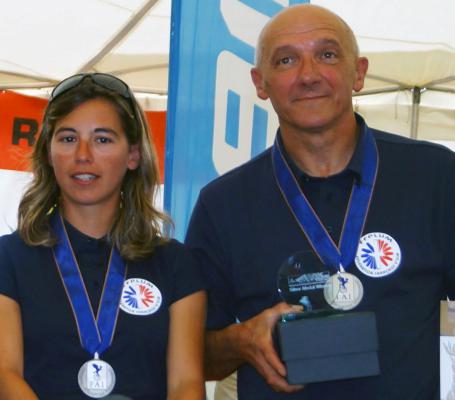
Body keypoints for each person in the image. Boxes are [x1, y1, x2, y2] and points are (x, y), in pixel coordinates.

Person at [185, 4, 455, 400]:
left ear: (358, 72)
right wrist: (241, 341)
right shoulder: (222, 204)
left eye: (327, 55)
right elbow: (192, 356)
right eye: (286, 60)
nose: (309, 75)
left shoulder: (436, 176)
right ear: (260, 83)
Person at [0, 73, 206, 400]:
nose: (83, 155)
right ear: (49, 153)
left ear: (133, 155)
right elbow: (5, 374)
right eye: (68, 138)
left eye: (103, 139)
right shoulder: (9, 258)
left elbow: (186, 384)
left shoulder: (175, 263)